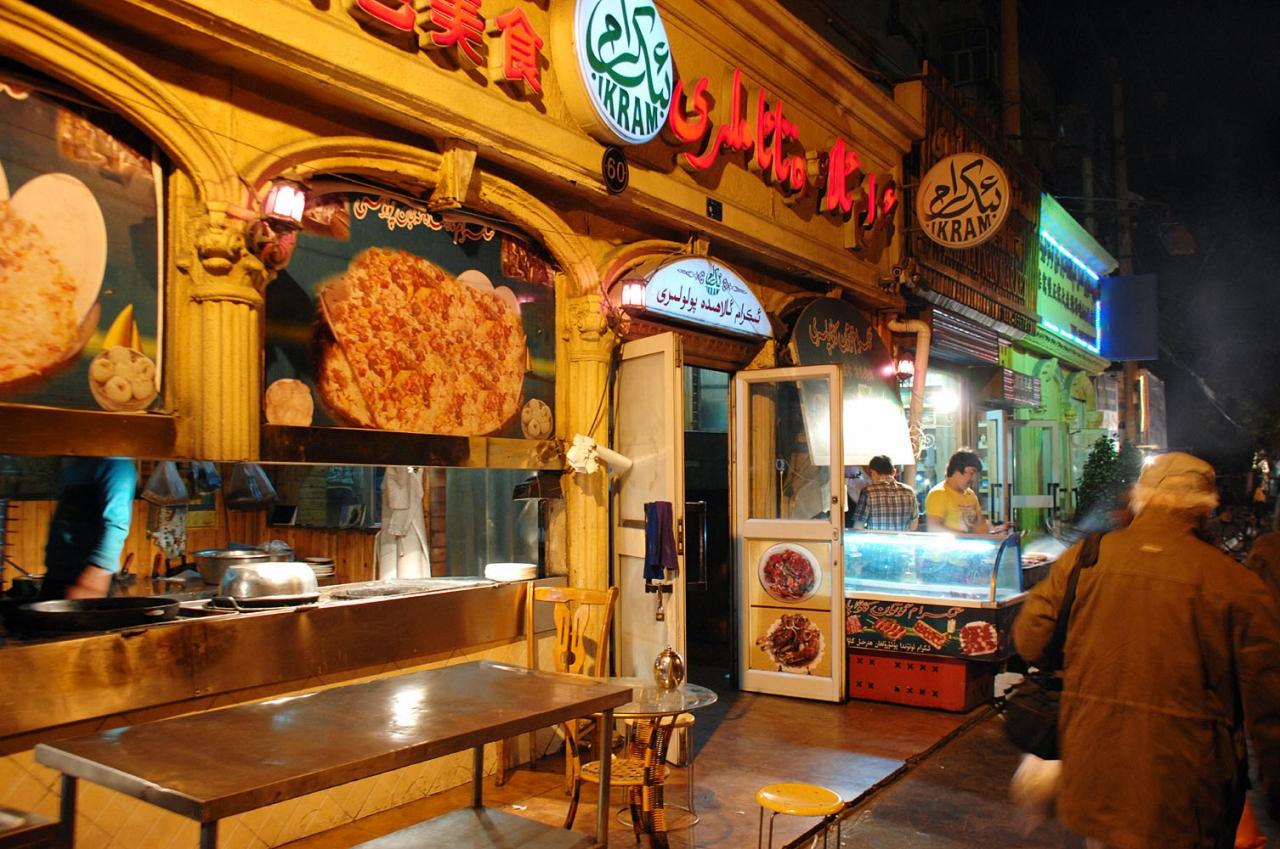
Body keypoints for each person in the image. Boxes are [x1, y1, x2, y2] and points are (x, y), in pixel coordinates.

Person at [1012, 452, 1280, 849]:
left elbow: (1030, 641)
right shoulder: (1235, 583)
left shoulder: (1084, 561)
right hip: (1188, 794)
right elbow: (1268, 705)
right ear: (1205, 508)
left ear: (1141, 497)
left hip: (1091, 778)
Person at [39, 456, 137, 599]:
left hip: (86, 576)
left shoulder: (116, 463)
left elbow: (116, 524)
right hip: (57, 573)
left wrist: (97, 572)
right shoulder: (74, 464)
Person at [924, 449, 1008, 534]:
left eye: (976, 474)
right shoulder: (938, 493)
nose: (974, 479)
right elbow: (934, 528)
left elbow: (980, 524)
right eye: (971, 473)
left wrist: (993, 530)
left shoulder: (970, 494)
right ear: (956, 471)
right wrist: (965, 536)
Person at [850, 455, 918, 531]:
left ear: (873, 473)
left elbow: (858, 526)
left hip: (876, 538)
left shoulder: (868, 492)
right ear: (894, 472)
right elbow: (913, 525)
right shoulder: (909, 492)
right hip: (901, 538)